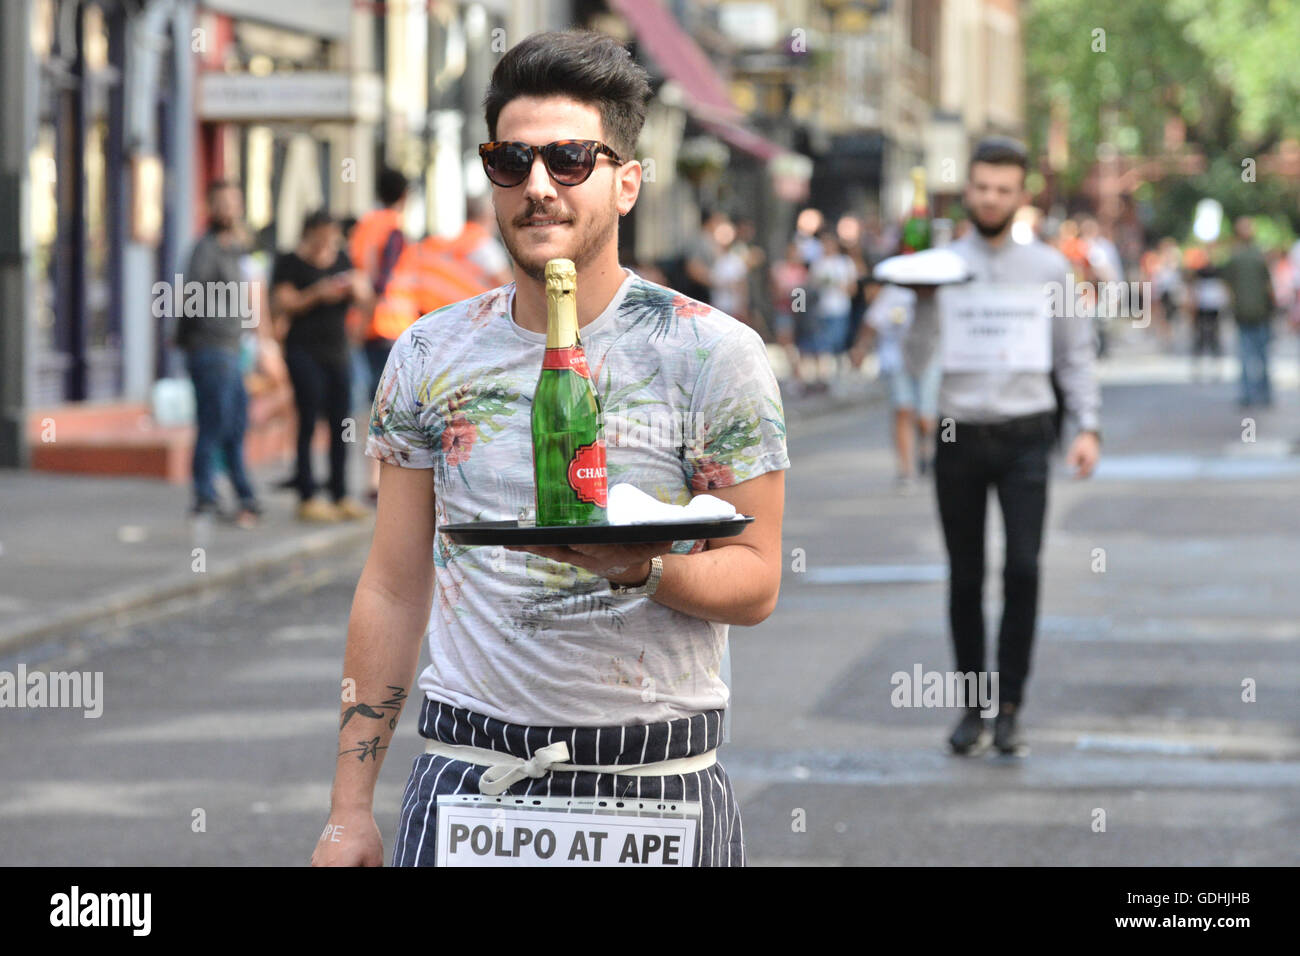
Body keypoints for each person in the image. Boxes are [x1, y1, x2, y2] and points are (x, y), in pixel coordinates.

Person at [312, 29, 787, 869]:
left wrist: (641, 567)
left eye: (569, 159)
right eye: (511, 161)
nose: (538, 186)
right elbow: (392, 584)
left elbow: (755, 580)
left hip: (653, 783)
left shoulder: (710, 352)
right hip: (472, 775)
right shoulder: (429, 352)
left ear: (626, 182)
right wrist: (349, 811)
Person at [903, 137, 1101, 756]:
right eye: (982, 187)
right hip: (958, 434)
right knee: (965, 576)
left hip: (1026, 434)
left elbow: (1074, 353)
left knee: (1023, 568)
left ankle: (1009, 705)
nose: (990, 198)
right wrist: (923, 309)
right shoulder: (938, 266)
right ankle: (972, 707)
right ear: (968, 189)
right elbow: (914, 360)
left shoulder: (1049, 268)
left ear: (1020, 196)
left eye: (1003, 190)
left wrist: (1087, 425)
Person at [271, 210, 374, 522]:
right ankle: (307, 494)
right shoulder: (290, 261)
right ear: (310, 232)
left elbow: (367, 299)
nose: (329, 240)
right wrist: (317, 294)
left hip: (337, 351)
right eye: (324, 233)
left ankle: (340, 492)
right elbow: (283, 303)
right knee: (307, 420)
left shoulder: (342, 259)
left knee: (341, 423)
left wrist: (357, 297)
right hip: (303, 350)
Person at [175, 180, 263, 528]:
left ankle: (238, 496)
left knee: (235, 424)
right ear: (210, 207)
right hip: (211, 350)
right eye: (222, 203)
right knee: (216, 423)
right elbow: (191, 298)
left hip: (233, 349)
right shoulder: (205, 249)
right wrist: (191, 340)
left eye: (234, 202)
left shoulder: (236, 250)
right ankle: (209, 496)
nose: (229, 209)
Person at [1220, 217, 1277, 408]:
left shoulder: (1234, 258)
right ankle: (1264, 394)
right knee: (1262, 355)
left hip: (1243, 313)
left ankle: (1247, 395)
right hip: (1260, 312)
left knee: (1245, 355)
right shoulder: (1260, 256)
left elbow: (1227, 287)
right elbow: (1269, 287)